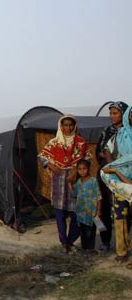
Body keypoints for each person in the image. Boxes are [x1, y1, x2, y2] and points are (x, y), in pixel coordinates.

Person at [38, 115, 92, 253]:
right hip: (59, 180)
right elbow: (41, 156)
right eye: (65, 125)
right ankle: (63, 243)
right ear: (60, 126)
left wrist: (77, 170)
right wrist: (51, 164)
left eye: (70, 125)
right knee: (60, 213)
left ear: (75, 126)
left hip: (75, 180)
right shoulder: (55, 142)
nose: (68, 128)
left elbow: (88, 158)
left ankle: (71, 241)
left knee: (76, 213)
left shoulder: (81, 142)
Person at [96, 101, 129, 253]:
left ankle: (124, 244)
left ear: (124, 114)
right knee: (105, 207)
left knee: (123, 211)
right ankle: (105, 241)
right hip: (107, 174)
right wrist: (111, 162)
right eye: (111, 113)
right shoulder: (107, 130)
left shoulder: (128, 131)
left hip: (124, 175)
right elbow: (100, 151)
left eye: (115, 113)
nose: (112, 116)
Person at [72, 160, 101, 254]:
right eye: (79, 169)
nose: (82, 171)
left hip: (91, 211)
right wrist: (69, 183)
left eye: (84, 169)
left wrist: (99, 210)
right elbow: (74, 194)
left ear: (88, 169)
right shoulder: (78, 182)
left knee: (90, 231)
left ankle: (90, 248)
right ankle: (84, 248)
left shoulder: (93, 181)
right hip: (81, 211)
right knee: (83, 231)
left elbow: (99, 196)